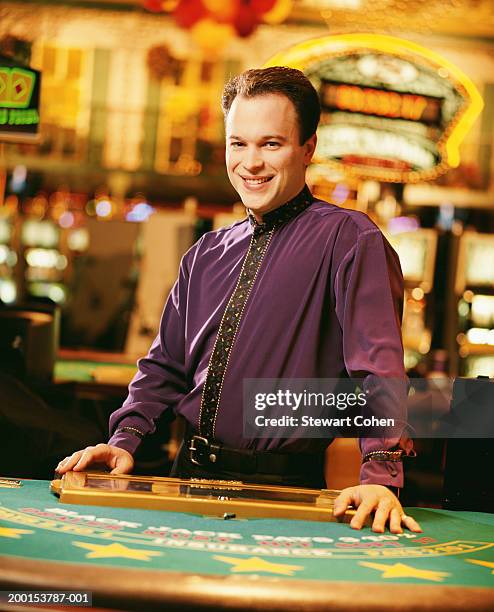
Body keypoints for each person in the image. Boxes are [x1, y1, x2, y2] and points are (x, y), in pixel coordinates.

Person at [57, 66, 421, 534]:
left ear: (308, 147)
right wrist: (125, 439)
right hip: (183, 480)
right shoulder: (205, 253)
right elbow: (164, 368)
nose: (250, 162)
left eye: (271, 144)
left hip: (285, 493)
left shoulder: (351, 240)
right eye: (238, 143)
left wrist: (381, 478)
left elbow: (379, 369)